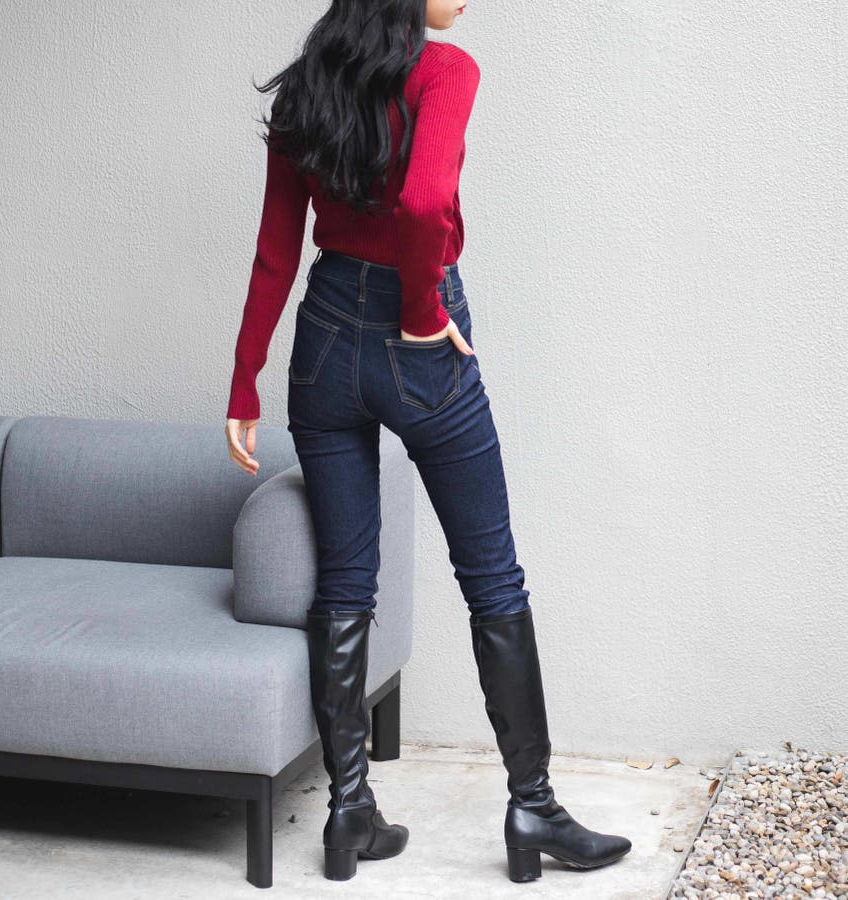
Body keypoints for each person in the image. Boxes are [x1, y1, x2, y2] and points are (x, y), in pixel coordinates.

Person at [223, 0, 632, 884]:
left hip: (324, 339)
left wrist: (244, 378)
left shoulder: (308, 84)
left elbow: (275, 246)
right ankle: (532, 807)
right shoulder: (445, 71)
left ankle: (348, 810)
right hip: (420, 339)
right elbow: (423, 201)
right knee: (492, 576)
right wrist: (419, 312)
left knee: (345, 582)